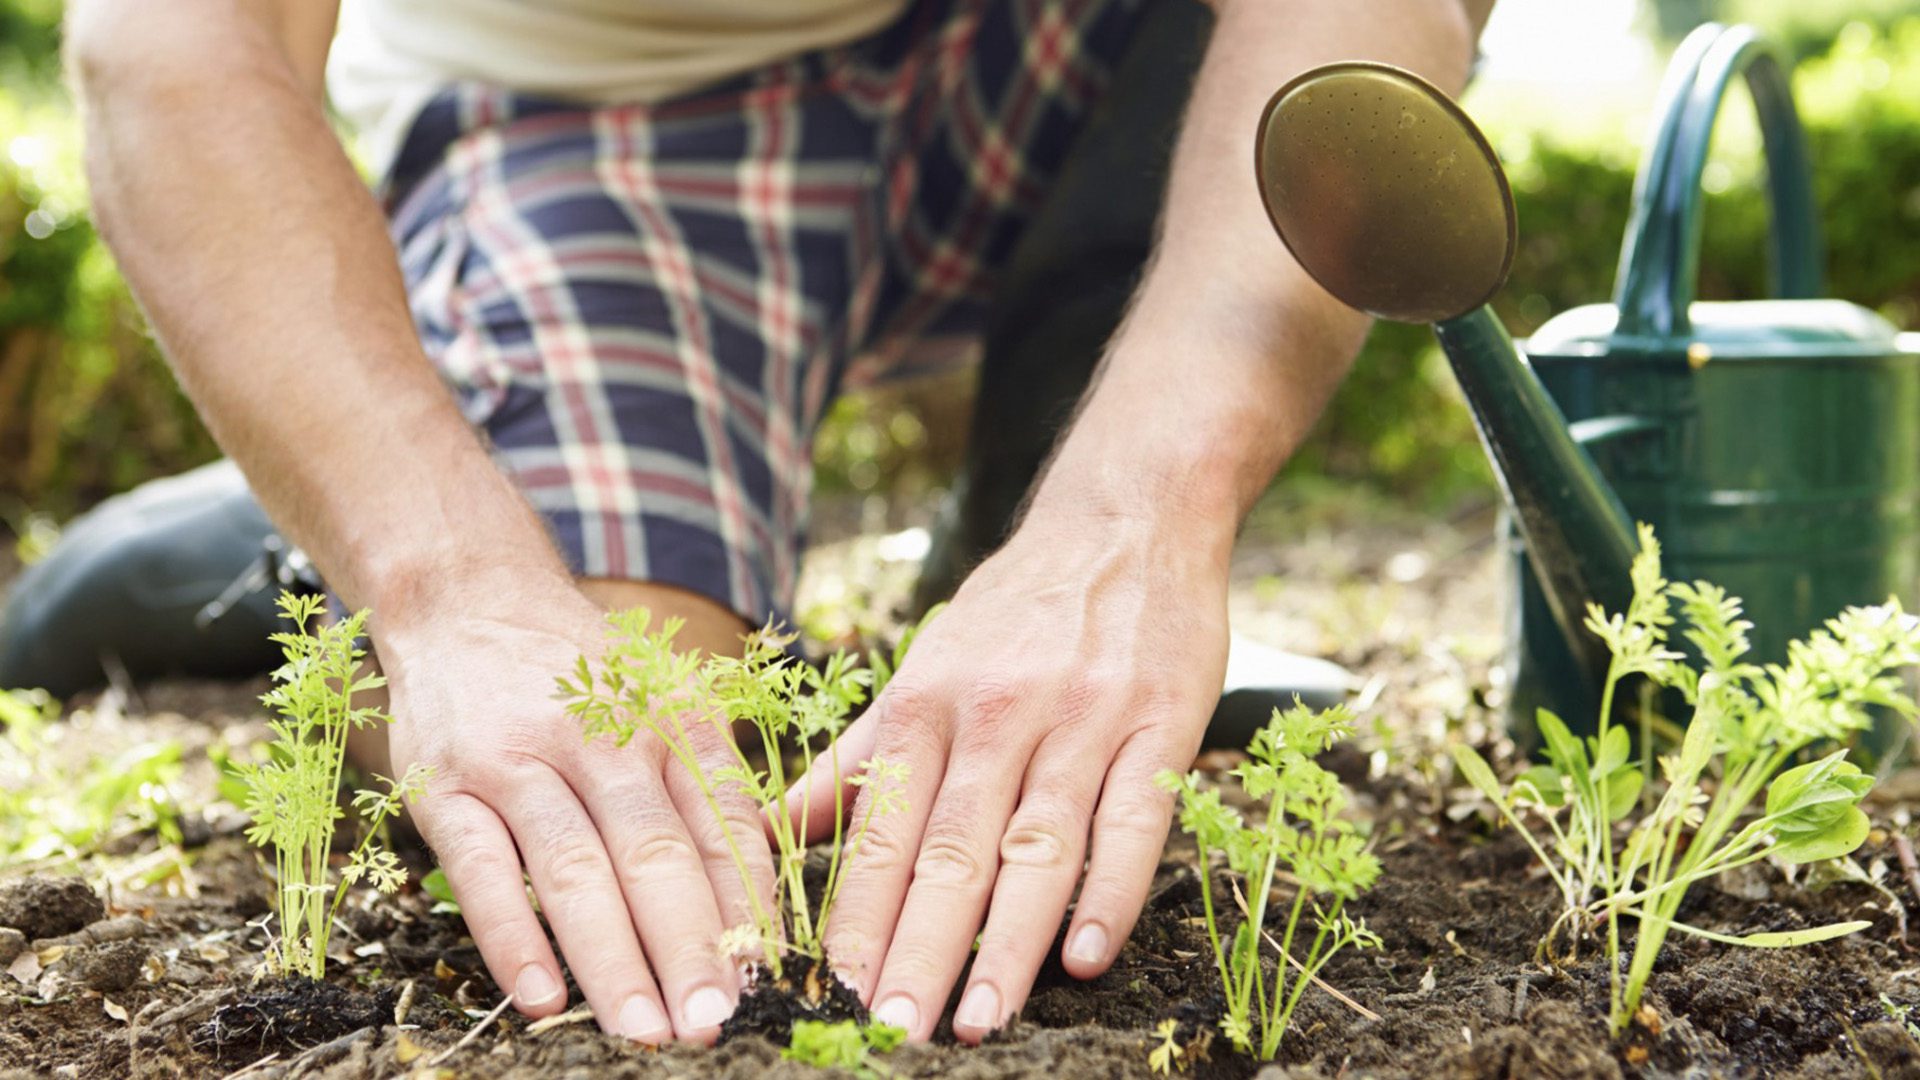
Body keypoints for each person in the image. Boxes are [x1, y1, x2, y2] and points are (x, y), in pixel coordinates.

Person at [53, 0, 1492, 1050]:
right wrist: (445, 583)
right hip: (608, 107)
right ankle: (348, 489)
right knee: (629, 721)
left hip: (1074, 47)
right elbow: (168, 49)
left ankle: (1027, 543)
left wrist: (1137, 522)